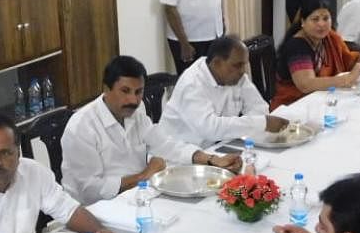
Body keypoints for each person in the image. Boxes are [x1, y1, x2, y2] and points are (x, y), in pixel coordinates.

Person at [60, 56, 240, 205]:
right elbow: (90, 190)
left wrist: (212, 159)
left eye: (138, 92)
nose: (133, 99)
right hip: (94, 211)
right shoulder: (81, 127)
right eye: (125, 91)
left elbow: (166, 145)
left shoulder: (135, 112)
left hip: (137, 196)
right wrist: (144, 176)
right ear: (106, 89)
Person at [160, 36, 288, 148]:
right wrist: (259, 123)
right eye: (237, 65)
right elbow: (210, 128)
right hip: (178, 157)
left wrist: (255, 124)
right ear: (217, 63)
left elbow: (259, 108)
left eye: (244, 65)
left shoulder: (237, 77)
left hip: (217, 148)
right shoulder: (192, 84)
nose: (243, 71)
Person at [271, 0, 360, 108]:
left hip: (320, 102)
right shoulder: (297, 46)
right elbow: (306, 84)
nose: (321, 24)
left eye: (326, 18)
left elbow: (350, 60)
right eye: (315, 19)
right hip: (292, 107)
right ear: (303, 22)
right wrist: (346, 80)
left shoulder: (330, 38)